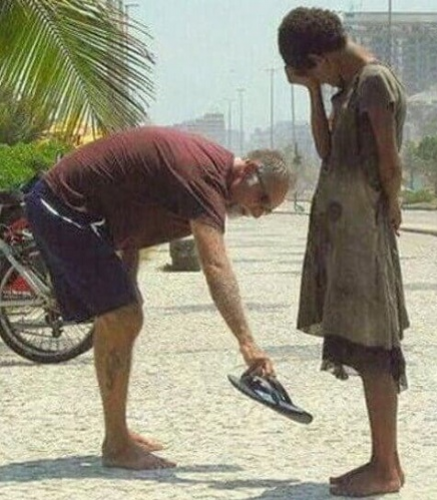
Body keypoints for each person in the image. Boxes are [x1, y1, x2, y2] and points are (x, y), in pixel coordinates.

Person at [24, 126, 293, 470]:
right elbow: (215, 265)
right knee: (122, 317)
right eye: (263, 200)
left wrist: (128, 280)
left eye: (267, 211)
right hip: (60, 203)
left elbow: (133, 217)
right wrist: (247, 343)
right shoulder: (205, 177)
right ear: (250, 170)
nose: (258, 213)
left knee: (125, 314)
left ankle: (117, 433)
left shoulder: (209, 176)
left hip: (80, 213)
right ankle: (116, 444)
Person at [278, 7, 410, 498]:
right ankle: (384, 460)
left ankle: (386, 470)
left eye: (311, 71)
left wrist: (392, 205)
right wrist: (314, 91)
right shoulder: (347, 87)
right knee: (363, 342)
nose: (316, 79)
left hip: (364, 234)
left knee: (374, 348)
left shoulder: (373, 81)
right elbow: (329, 154)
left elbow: (389, 162)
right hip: (347, 234)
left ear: (318, 56)